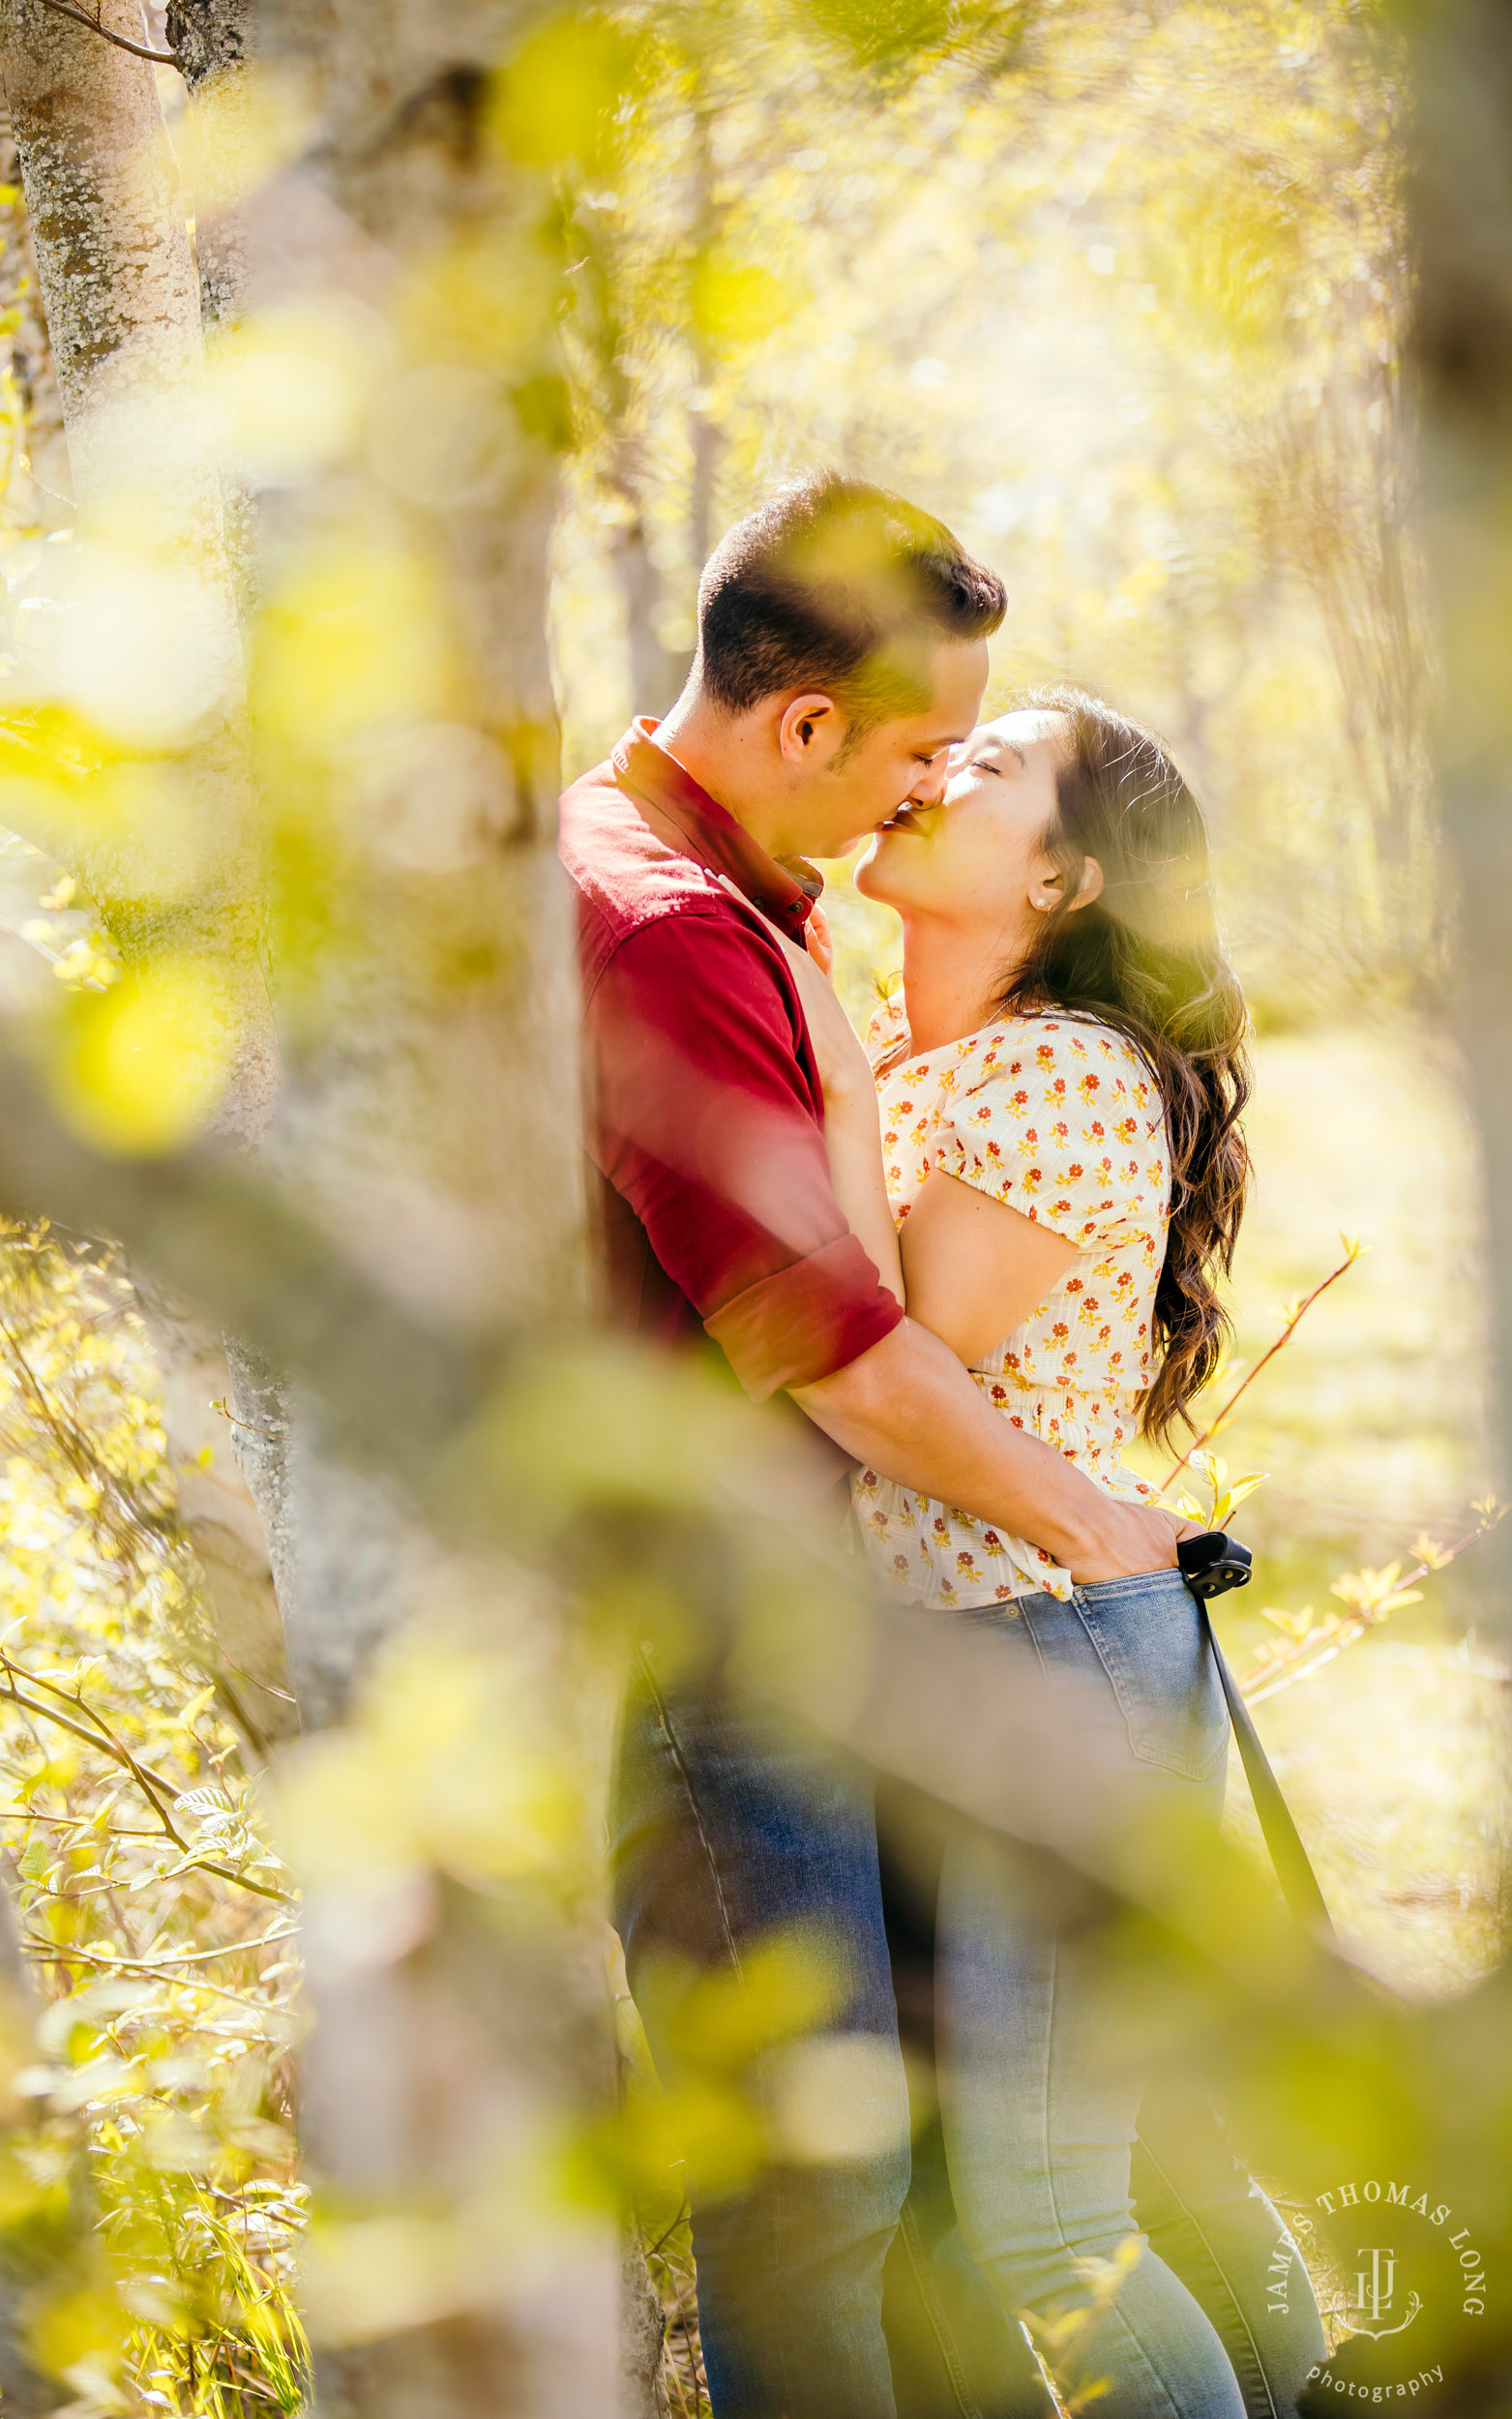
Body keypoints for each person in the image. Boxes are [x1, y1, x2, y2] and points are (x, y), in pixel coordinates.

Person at [559, 477, 1191, 2418]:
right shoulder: (662, 925)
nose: (921, 791)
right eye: (924, 748)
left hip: (835, 1625)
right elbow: (834, 1344)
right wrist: (1088, 1517)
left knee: (951, 2178)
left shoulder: (747, 904)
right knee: (815, 2185)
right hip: (717, 1623)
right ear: (812, 725)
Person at [797, 688, 1327, 2417]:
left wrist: (804, 1039)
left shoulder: (1057, 1071)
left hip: (1048, 1658)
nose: (940, 773)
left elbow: (894, 1351)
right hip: (1004, 1653)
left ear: (1064, 882)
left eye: (996, 767)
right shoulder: (952, 1058)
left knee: (1042, 2214)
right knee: (1149, 2167)